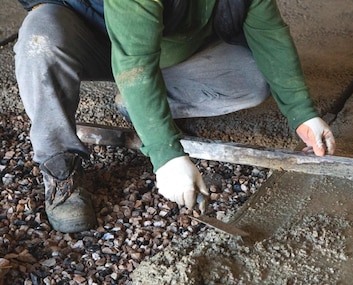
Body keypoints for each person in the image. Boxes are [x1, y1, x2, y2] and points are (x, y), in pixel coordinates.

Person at [14, 0, 336, 233]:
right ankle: (59, 165)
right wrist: (166, 154)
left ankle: (142, 105)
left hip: (168, 44)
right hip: (89, 30)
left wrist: (303, 113)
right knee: (40, 41)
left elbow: (270, 35)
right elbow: (134, 64)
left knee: (252, 77)